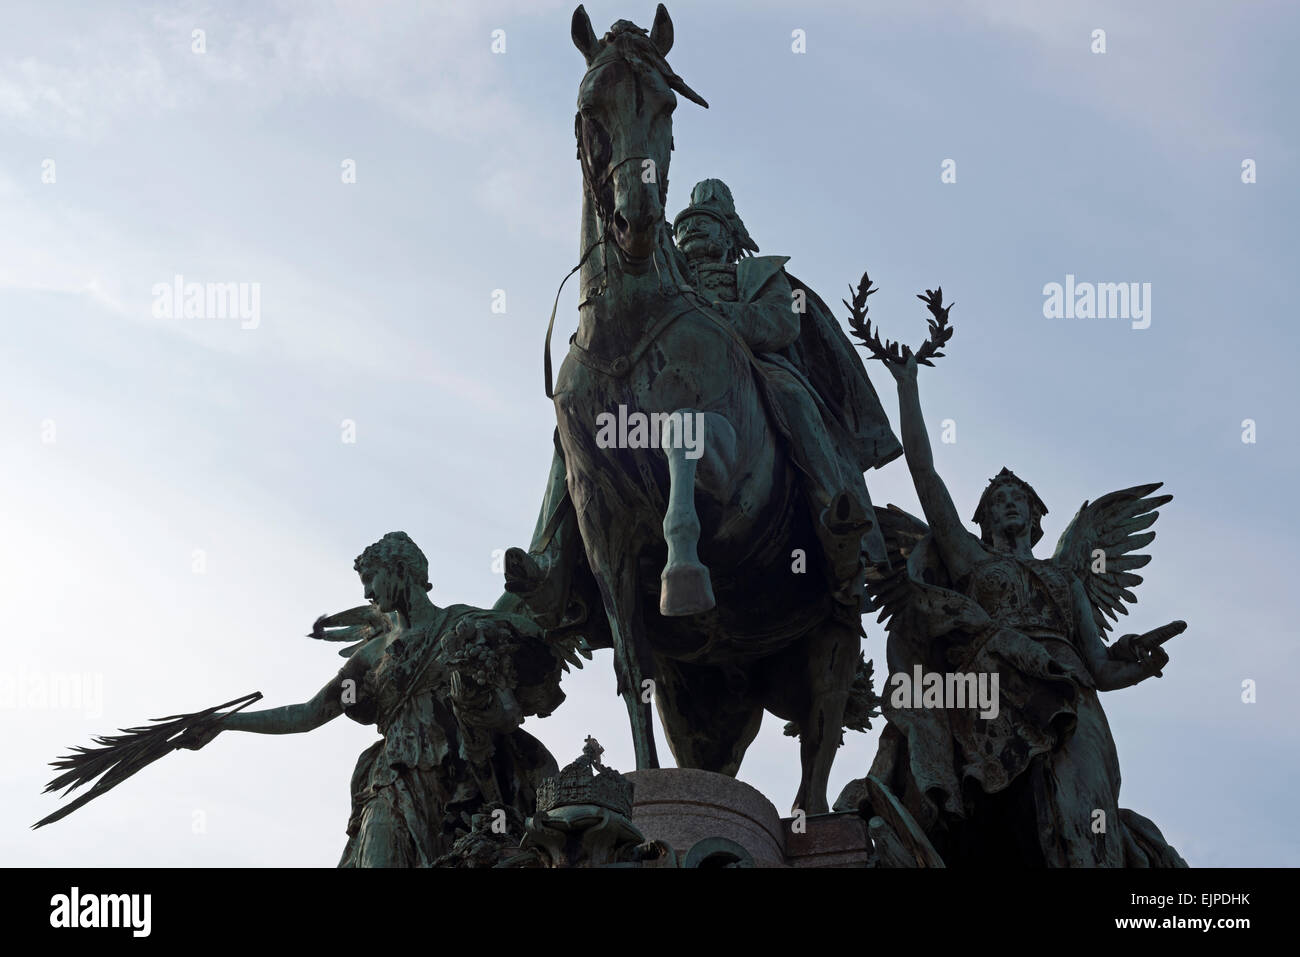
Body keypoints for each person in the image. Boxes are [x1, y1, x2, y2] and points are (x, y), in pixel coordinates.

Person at [864, 353, 1187, 866]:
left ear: (1036, 516)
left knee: (1085, 818)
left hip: (1070, 691)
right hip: (992, 689)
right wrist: (908, 386)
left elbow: (1100, 666)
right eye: (998, 499)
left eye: (1018, 498)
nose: (1009, 503)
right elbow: (926, 477)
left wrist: (1138, 662)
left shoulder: (1065, 576)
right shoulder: (969, 557)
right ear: (984, 516)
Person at [181, 531, 565, 867]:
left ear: (400, 569)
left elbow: (533, 635)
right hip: (396, 776)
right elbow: (309, 713)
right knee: (378, 850)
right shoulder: (372, 654)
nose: (367, 592)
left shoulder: (462, 624)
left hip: (467, 776)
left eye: (370, 579)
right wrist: (224, 722)